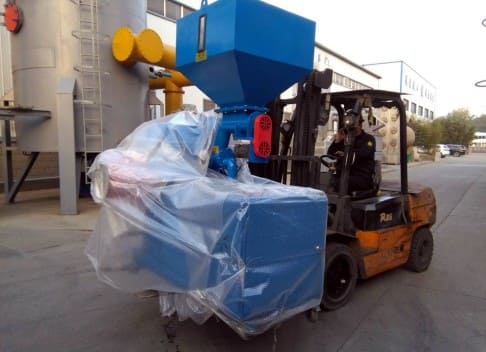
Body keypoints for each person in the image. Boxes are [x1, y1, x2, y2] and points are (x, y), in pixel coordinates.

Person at [327, 117, 376, 194]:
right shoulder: (345, 138)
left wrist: (346, 154)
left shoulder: (368, 139)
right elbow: (330, 154)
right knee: (330, 180)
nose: (349, 128)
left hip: (362, 176)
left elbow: (364, 152)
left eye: (352, 126)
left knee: (341, 183)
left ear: (360, 125)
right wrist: (337, 141)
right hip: (345, 174)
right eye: (347, 126)